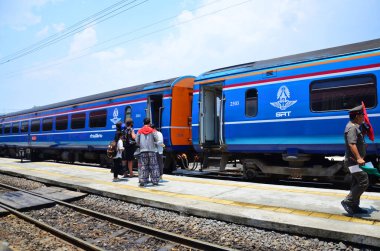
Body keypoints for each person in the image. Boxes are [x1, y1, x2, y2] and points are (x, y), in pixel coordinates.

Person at [341, 105, 369, 215]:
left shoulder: (355, 126)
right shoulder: (352, 127)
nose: (364, 117)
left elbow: (356, 142)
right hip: (353, 161)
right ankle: (348, 201)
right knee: (363, 180)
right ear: (357, 116)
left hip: (355, 160)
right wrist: (358, 157)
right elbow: (351, 144)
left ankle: (355, 206)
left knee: (356, 182)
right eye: (362, 115)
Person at [135, 118, 160, 186]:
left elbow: (136, 141)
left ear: (143, 123)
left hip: (143, 151)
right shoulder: (152, 130)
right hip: (151, 151)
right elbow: (157, 139)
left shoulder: (139, 131)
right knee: (153, 166)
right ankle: (155, 181)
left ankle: (143, 180)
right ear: (149, 123)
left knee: (143, 166)